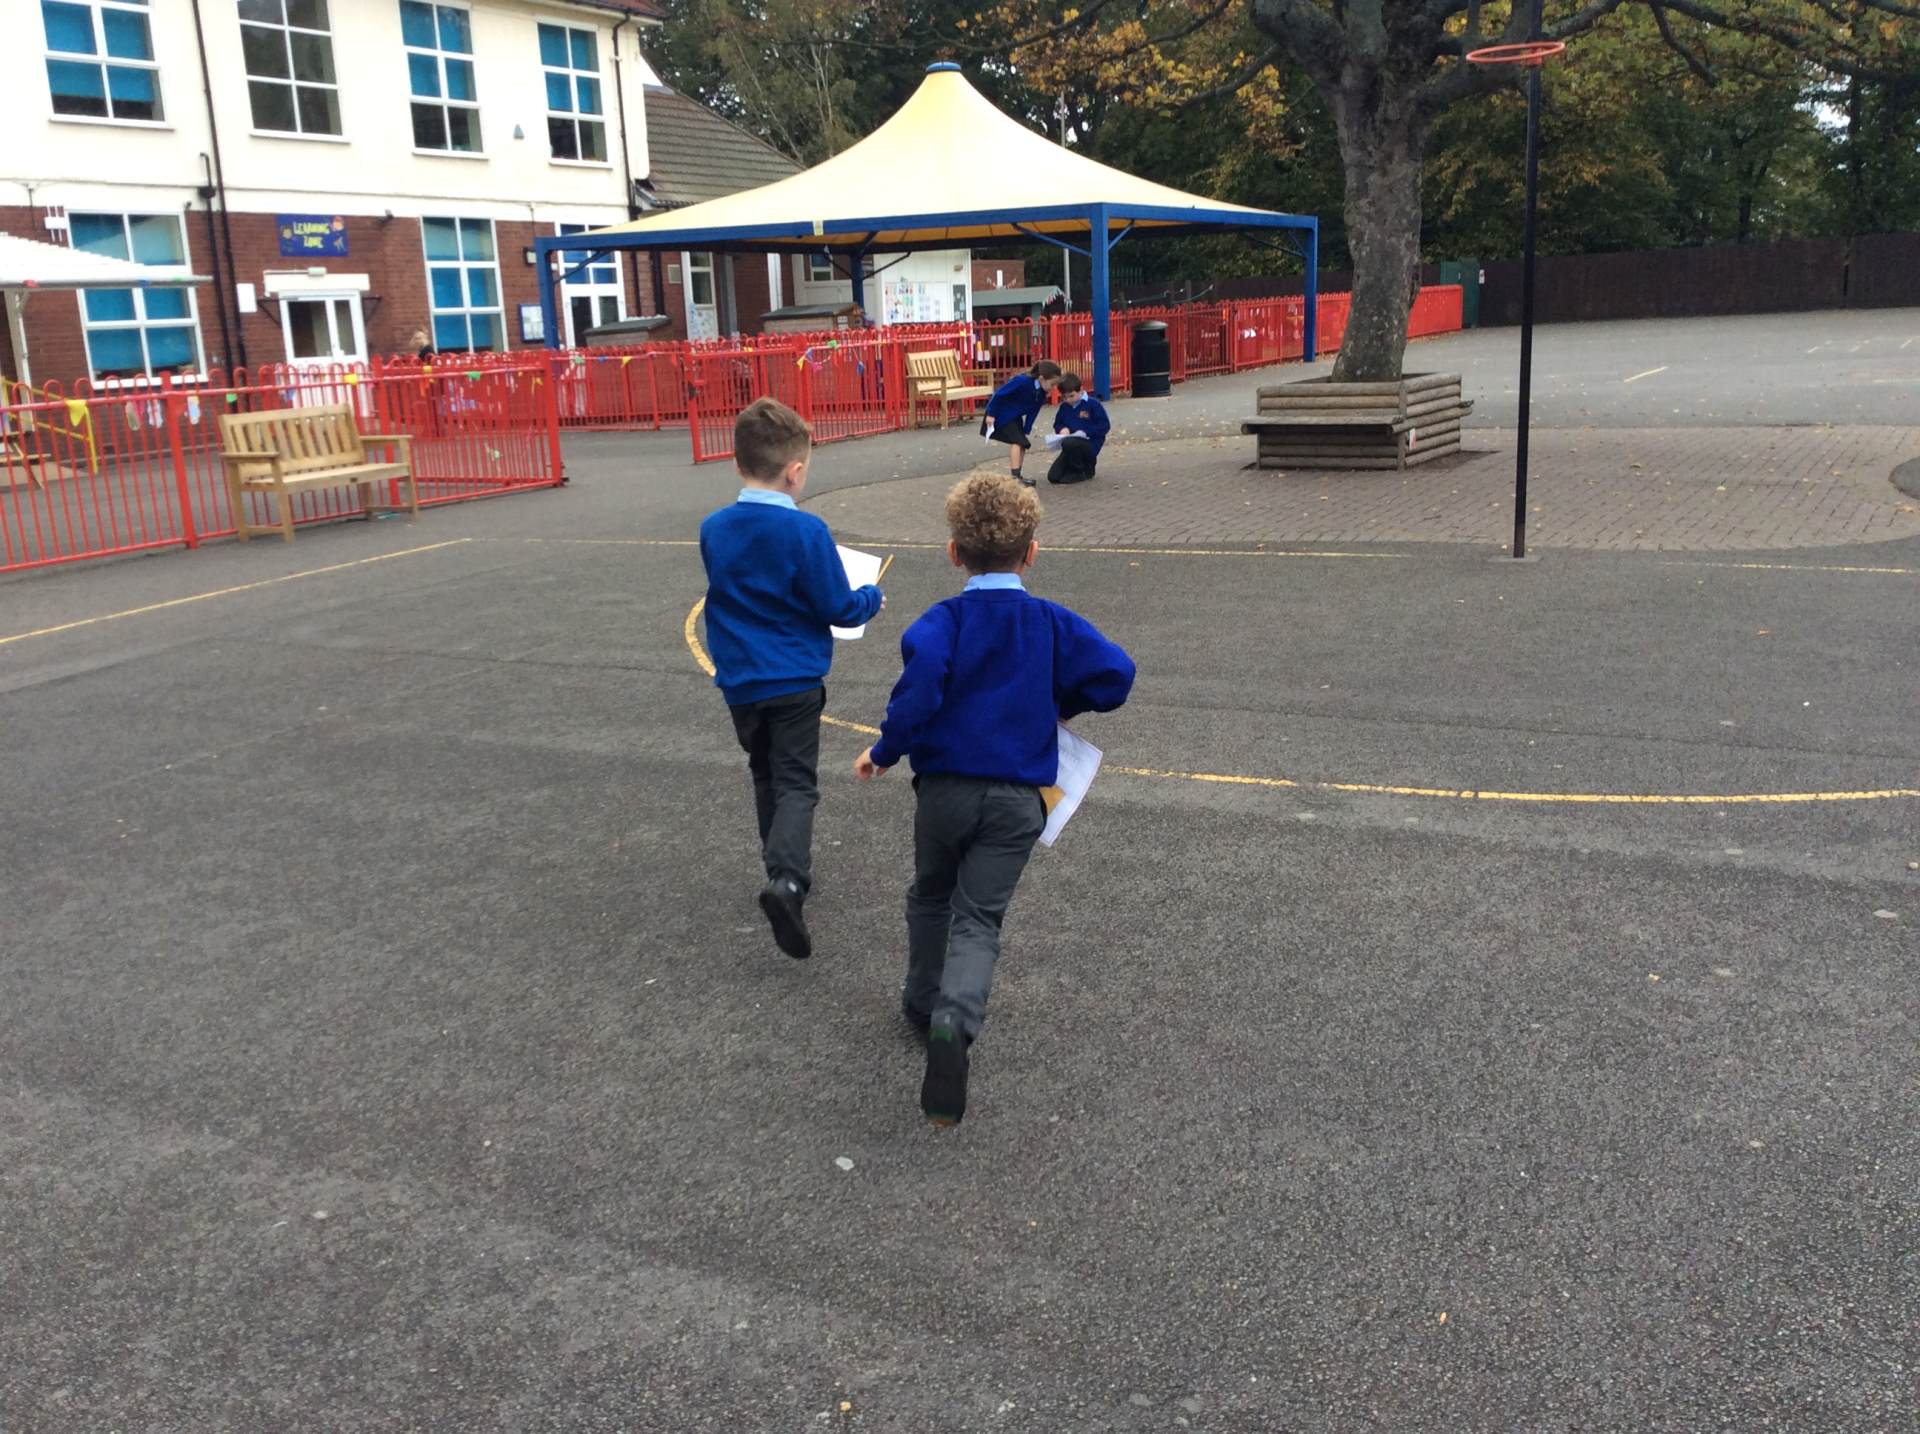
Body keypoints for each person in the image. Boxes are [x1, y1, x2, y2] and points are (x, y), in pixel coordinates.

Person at [854, 476, 1135, 1125]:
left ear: (954, 553)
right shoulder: (1051, 623)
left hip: (945, 792)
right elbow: (1117, 674)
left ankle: (922, 1001)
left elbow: (919, 692)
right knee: (979, 916)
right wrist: (1061, 703)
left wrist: (886, 750)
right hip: (1016, 801)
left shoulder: (941, 622)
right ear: (1031, 553)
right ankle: (956, 1020)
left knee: (931, 894)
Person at [700, 397, 885, 960]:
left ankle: (778, 865)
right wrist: (870, 597)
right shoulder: (806, 531)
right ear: (795, 471)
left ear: (738, 463)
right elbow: (837, 607)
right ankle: (787, 880)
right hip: (794, 675)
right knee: (797, 780)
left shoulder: (714, 528)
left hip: (740, 677)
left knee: (764, 772)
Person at [980, 360, 1062, 487]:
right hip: (1001, 414)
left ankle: (1017, 475)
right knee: (1017, 442)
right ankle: (1015, 477)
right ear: (1042, 378)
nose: (1054, 387)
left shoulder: (1041, 393)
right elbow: (999, 395)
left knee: (1023, 443)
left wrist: (1026, 428)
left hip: (1014, 417)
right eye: (1052, 384)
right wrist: (991, 414)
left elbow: (1034, 411)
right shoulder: (1022, 381)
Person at [1046, 371, 1111, 486]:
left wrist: (1085, 432)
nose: (1068, 400)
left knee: (1070, 443)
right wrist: (1062, 429)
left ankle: (1081, 471)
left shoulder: (1093, 404)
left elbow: (1104, 425)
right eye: (1064, 397)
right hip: (1070, 446)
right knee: (1053, 477)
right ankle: (1073, 466)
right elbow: (1058, 423)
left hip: (1089, 443)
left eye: (1071, 396)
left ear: (1080, 390)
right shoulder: (1064, 407)